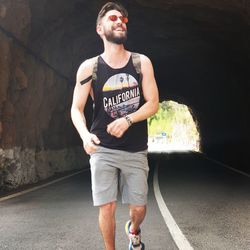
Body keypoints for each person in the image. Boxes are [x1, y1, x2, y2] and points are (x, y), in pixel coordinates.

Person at [71, 2, 159, 250]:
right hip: (103, 149)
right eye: (113, 18)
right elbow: (76, 109)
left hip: (135, 148)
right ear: (100, 28)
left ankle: (133, 229)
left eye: (123, 19)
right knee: (106, 207)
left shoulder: (142, 63)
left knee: (139, 208)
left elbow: (153, 103)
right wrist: (85, 135)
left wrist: (128, 119)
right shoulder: (89, 68)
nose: (120, 21)